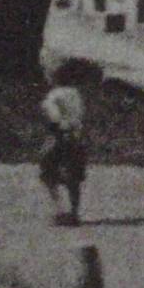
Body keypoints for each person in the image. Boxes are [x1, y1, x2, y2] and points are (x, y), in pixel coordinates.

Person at [40, 61, 89, 226]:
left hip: (59, 136)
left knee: (47, 172)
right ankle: (74, 213)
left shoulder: (53, 96)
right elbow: (81, 114)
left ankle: (60, 211)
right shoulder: (76, 93)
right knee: (74, 177)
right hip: (76, 137)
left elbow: (54, 117)